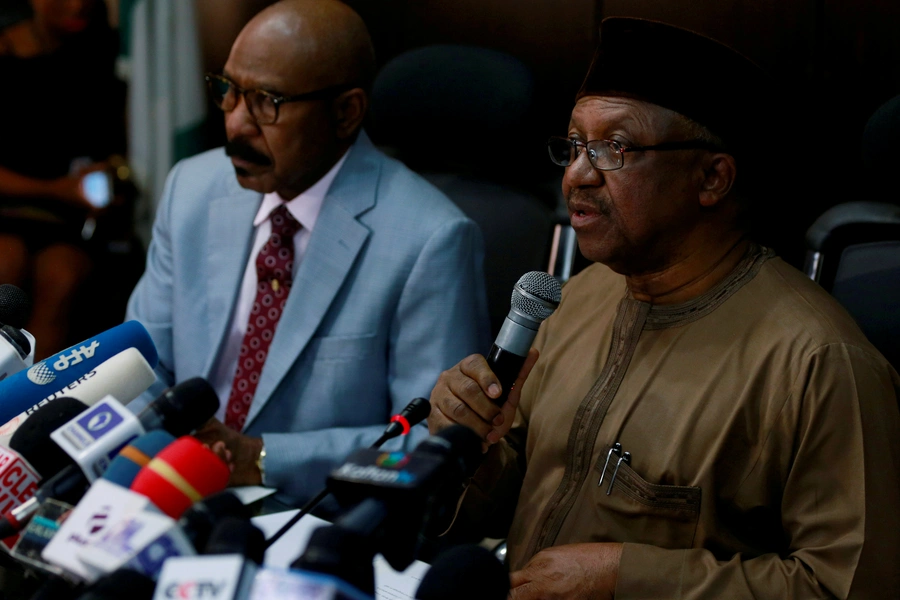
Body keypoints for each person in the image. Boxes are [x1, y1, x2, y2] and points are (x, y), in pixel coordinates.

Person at [428, 18, 900, 599]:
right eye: (574, 146)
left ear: (711, 178)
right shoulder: (574, 302)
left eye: (615, 149)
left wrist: (629, 579)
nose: (577, 175)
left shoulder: (821, 363)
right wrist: (466, 446)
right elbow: (492, 507)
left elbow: (851, 587)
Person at [126, 0, 489, 506]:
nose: (237, 124)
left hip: (312, 522)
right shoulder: (192, 188)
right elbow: (139, 364)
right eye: (228, 91)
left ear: (346, 112)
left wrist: (259, 456)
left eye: (267, 101)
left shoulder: (431, 239)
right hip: (170, 486)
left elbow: (429, 445)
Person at [0, 0, 124, 359]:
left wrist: (106, 185)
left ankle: (29, 402)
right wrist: (57, 191)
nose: (77, 5)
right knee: (6, 264)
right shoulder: (5, 53)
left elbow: (109, 146)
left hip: (69, 218)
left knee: (62, 276)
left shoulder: (100, 55)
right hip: (10, 207)